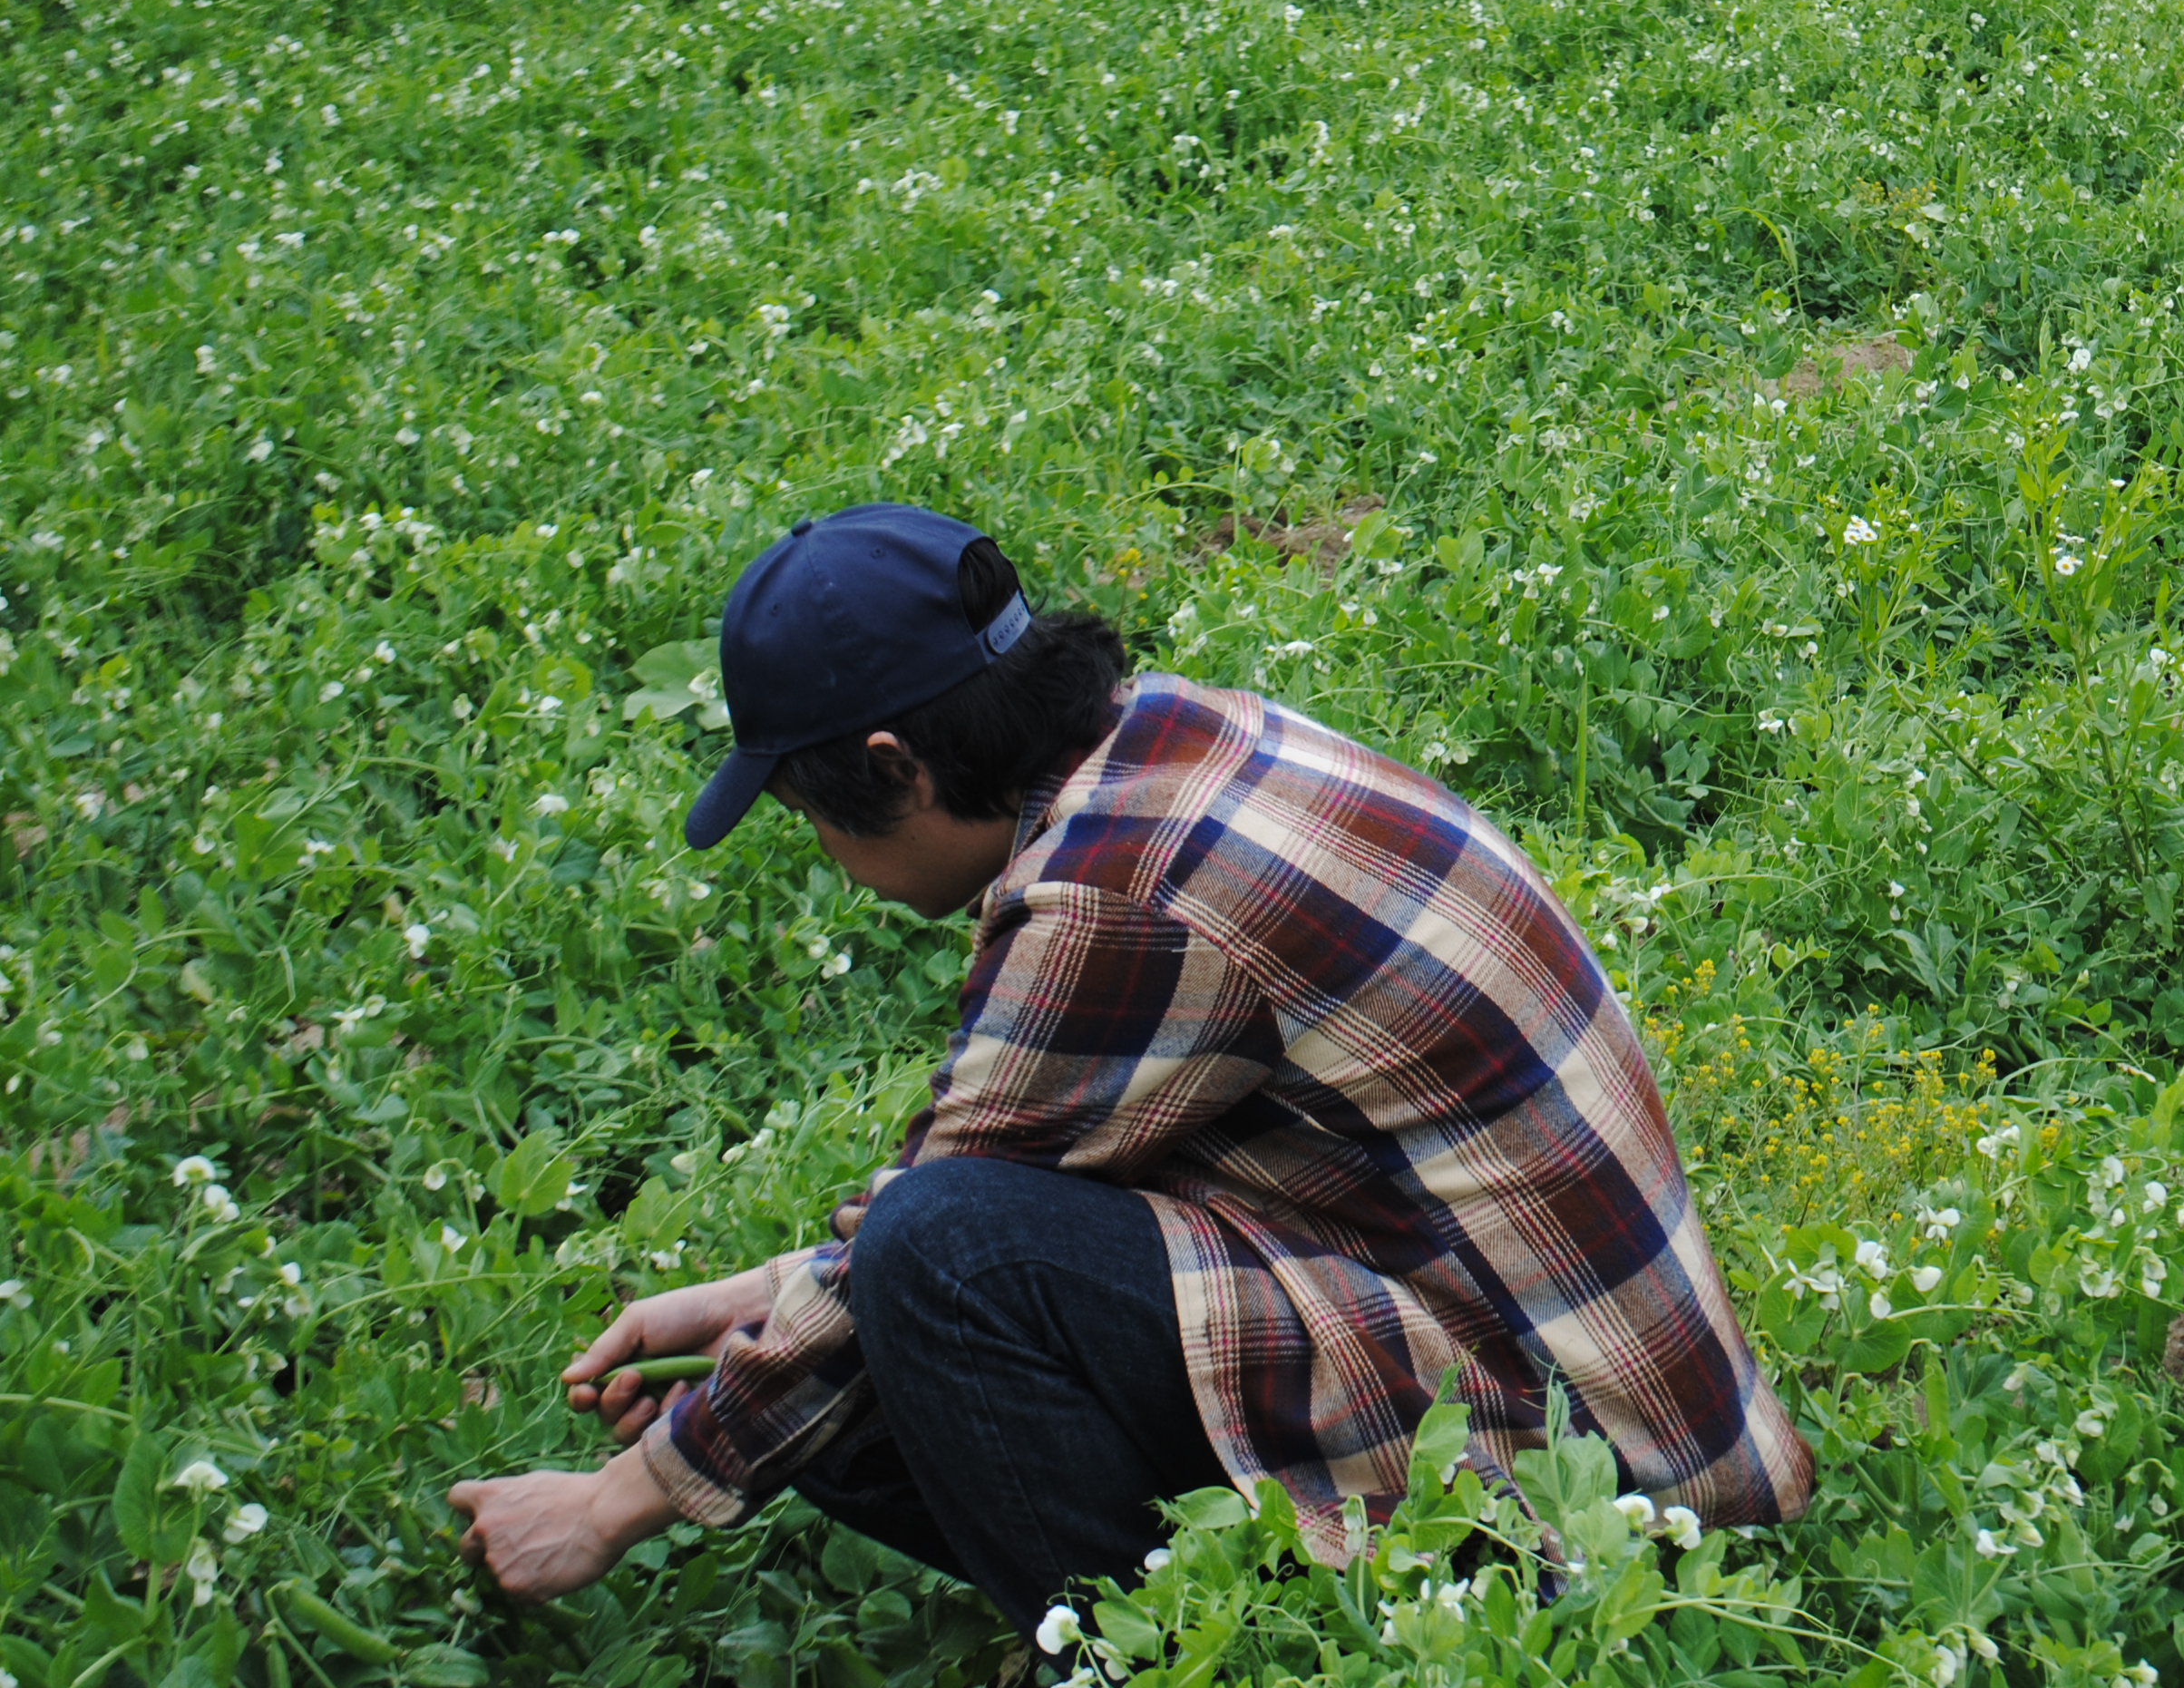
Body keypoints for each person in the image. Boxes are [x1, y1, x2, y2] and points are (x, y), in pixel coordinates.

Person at [447, 502, 1809, 1634]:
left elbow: (944, 1228)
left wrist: (612, 1503)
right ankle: (1215, 1615)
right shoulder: (1167, 741)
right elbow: (1013, 1158)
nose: (831, 866)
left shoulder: (1118, 893)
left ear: (892, 765)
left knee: (927, 1275)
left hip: (1587, 1494)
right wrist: (748, 1308)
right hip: (1565, 1380)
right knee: (857, 1365)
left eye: (814, 820)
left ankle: (1143, 1659)